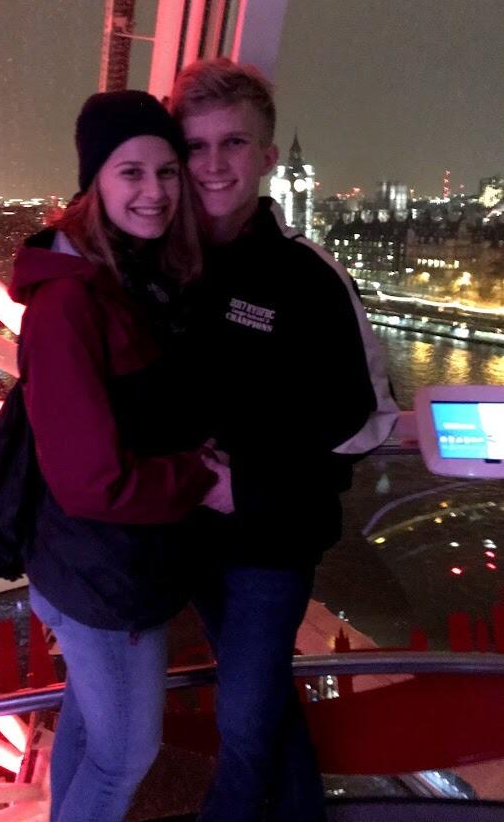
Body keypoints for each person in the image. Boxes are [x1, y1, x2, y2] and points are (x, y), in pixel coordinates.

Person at [170, 58, 399, 821]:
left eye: (232, 144)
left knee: (239, 728)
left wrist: (252, 483)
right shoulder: (170, 270)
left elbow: (369, 418)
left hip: (270, 543)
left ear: (267, 157)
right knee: (265, 704)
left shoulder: (305, 278)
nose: (211, 165)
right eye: (195, 146)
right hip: (196, 534)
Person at [8, 90, 232, 822]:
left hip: (97, 566)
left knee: (87, 731)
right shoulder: (70, 302)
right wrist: (200, 474)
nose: (155, 192)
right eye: (130, 172)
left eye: (168, 173)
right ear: (93, 181)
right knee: (124, 757)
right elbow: (92, 480)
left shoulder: (130, 279)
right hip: (106, 576)